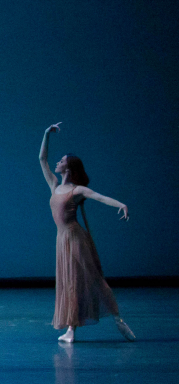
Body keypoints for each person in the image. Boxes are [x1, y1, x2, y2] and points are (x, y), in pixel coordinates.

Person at [38, 122, 135, 343]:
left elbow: (99, 197)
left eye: (61, 161)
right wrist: (46, 134)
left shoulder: (76, 190)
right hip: (61, 240)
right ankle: (71, 329)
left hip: (75, 238)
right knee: (68, 282)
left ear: (68, 168)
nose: (57, 162)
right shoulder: (54, 185)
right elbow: (42, 159)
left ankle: (119, 320)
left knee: (91, 279)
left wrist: (121, 204)